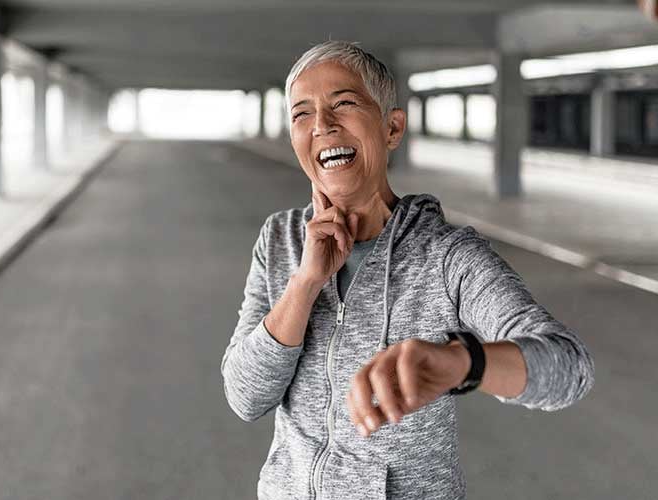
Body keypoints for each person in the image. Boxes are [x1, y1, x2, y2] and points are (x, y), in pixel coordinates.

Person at [220, 40, 595, 500]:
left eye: (344, 104)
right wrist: (305, 282)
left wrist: (462, 363)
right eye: (302, 114)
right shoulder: (279, 239)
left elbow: (569, 367)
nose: (322, 125)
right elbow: (244, 397)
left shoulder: (446, 255)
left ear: (392, 127)